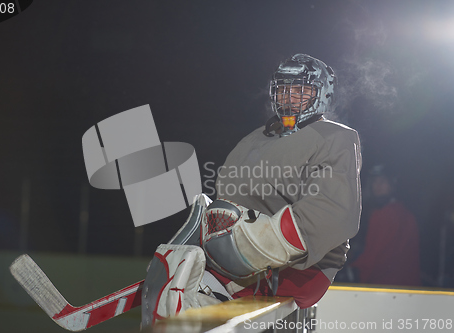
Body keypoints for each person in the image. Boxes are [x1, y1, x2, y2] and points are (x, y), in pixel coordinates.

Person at [142, 54, 362, 325]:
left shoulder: (334, 136)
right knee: (173, 288)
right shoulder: (255, 138)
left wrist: (247, 246)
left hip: (292, 269)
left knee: (183, 304)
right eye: (284, 89)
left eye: (301, 90)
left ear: (322, 94)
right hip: (235, 259)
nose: (290, 98)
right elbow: (228, 193)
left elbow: (331, 211)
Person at [351, 165, 421, 286]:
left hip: (384, 286)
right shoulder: (406, 214)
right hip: (409, 286)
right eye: (374, 182)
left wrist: (352, 269)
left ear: (392, 185)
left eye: (382, 181)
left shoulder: (383, 215)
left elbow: (373, 257)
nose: (377, 186)